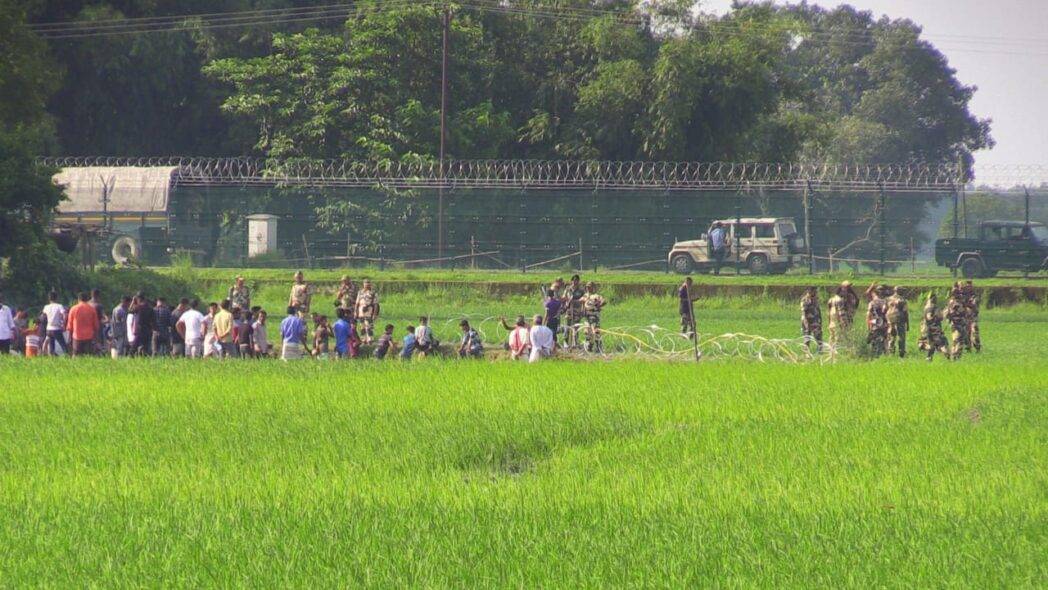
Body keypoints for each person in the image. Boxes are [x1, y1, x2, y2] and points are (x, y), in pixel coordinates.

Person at [66, 291, 101, 356]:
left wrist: (70, 339)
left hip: (77, 337)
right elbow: (96, 326)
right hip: (89, 337)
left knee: (76, 356)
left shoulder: (73, 309)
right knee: (88, 356)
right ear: (87, 299)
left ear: (78, 299)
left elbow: (70, 326)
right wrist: (96, 339)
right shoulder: (92, 309)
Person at [918, 293, 949, 362]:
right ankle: (949, 359)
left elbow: (927, 318)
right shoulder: (934, 307)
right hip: (935, 329)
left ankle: (928, 358)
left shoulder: (926, 308)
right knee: (942, 344)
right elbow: (937, 317)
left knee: (931, 345)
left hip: (929, 329)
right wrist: (943, 314)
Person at [580, 281, 606, 353]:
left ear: (593, 287)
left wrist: (599, 305)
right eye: (587, 287)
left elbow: (603, 301)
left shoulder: (596, 296)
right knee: (587, 331)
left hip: (594, 316)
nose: (588, 288)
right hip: (587, 316)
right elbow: (581, 300)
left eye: (589, 286)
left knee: (596, 331)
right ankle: (589, 346)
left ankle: (598, 347)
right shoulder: (585, 295)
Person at [562, 275, 586, 348]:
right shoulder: (568, 289)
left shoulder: (581, 290)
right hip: (569, 310)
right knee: (567, 326)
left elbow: (584, 300)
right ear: (571, 281)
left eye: (577, 280)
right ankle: (565, 341)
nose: (575, 282)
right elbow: (563, 297)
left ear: (578, 281)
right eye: (574, 280)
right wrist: (567, 300)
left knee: (576, 327)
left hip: (577, 311)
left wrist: (582, 308)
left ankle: (575, 342)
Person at [885, 286, 910, 358]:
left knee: (891, 336)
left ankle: (890, 353)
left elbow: (884, 309)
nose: (903, 292)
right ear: (899, 291)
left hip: (890, 320)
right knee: (901, 337)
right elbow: (905, 312)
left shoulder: (888, 299)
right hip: (900, 320)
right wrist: (907, 324)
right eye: (902, 290)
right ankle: (901, 353)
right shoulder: (902, 300)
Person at [42, 291, 69, 356]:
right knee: (63, 346)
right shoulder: (59, 306)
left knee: (51, 346)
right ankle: (68, 357)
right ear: (57, 298)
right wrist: (63, 324)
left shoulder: (46, 307)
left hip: (49, 329)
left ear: (49, 298)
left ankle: (52, 359)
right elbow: (65, 315)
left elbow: (43, 317)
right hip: (57, 328)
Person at [865, 284, 889, 357]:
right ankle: (883, 354)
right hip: (883, 323)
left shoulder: (872, 302)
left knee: (876, 339)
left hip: (876, 322)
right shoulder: (886, 302)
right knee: (884, 339)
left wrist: (868, 325)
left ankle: (876, 354)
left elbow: (868, 315)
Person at [945, 293, 969, 360]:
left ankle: (954, 356)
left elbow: (946, 315)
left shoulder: (951, 304)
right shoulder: (956, 304)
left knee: (956, 341)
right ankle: (955, 356)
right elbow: (963, 313)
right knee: (958, 341)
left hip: (957, 324)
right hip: (957, 325)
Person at [355, 279, 379, 344]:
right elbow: (357, 303)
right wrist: (355, 312)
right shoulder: (360, 292)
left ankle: (370, 340)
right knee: (362, 327)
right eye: (365, 283)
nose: (367, 284)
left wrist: (375, 314)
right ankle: (363, 339)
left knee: (369, 327)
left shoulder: (373, 293)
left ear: (370, 284)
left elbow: (376, 304)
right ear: (363, 284)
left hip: (369, 312)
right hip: (361, 312)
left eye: (368, 283)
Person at [132, 292, 155, 357]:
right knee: (146, 346)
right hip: (148, 329)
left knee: (134, 346)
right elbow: (153, 321)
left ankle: (131, 357)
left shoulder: (138, 307)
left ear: (138, 299)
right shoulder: (150, 308)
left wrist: (133, 302)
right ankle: (144, 357)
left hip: (139, 329)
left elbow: (130, 311)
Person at [800, 286, 822, 352]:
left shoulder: (816, 299)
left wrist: (820, 320)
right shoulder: (805, 300)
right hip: (808, 320)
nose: (816, 292)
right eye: (814, 291)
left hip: (815, 320)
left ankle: (820, 351)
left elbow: (818, 310)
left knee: (818, 336)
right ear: (810, 291)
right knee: (807, 336)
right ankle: (806, 351)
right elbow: (804, 312)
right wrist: (806, 323)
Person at [963, 280, 981, 353]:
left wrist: (967, 304)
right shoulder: (963, 295)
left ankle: (977, 347)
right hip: (966, 317)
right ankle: (968, 348)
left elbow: (974, 305)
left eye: (970, 286)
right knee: (966, 333)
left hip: (973, 317)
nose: (969, 288)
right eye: (967, 286)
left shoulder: (974, 296)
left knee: (975, 332)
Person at [89, 289, 107, 355]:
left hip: (88, 327)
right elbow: (104, 316)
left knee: (91, 342)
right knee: (99, 342)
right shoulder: (98, 305)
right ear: (98, 295)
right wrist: (106, 320)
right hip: (98, 327)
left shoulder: (87, 304)